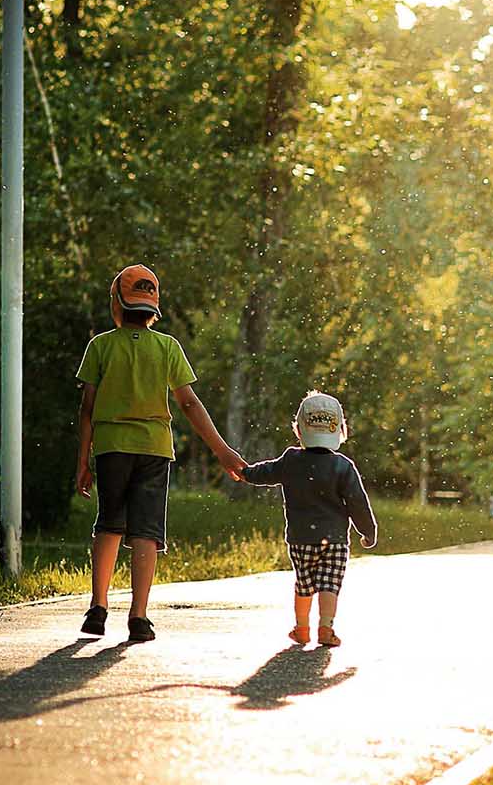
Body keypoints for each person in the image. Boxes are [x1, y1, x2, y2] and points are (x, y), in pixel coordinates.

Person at [74, 265, 246, 642]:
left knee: (109, 524)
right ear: (154, 306)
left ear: (116, 304)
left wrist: (82, 462)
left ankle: (98, 608)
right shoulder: (167, 347)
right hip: (154, 449)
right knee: (146, 533)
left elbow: (87, 408)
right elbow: (188, 404)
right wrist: (222, 450)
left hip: (112, 448)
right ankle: (139, 616)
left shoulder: (100, 346)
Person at [241, 391, 377, 648]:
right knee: (329, 583)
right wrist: (367, 530)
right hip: (335, 540)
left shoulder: (291, 460)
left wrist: (244, 473)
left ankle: (301, 629)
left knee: (304, 582)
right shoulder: (343, 466)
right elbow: (357, 502)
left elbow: (265, 472)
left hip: (301, 538)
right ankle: (326, 627)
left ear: (299, 430)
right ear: (339, 430)